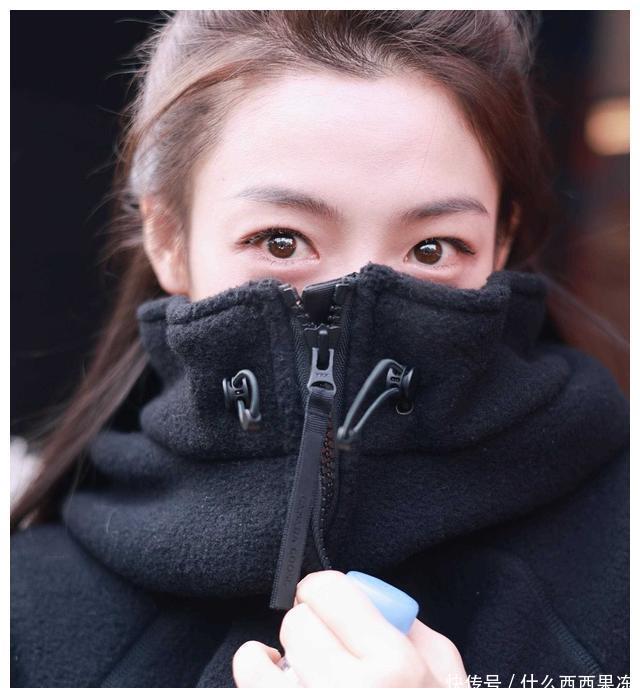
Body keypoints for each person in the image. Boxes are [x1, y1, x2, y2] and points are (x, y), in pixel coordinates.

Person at [10, 10, 629, 689]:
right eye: (282, 241)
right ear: (167, 238)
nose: (360, 289)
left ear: (501, 241)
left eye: (432, 249)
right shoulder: (24, 613)